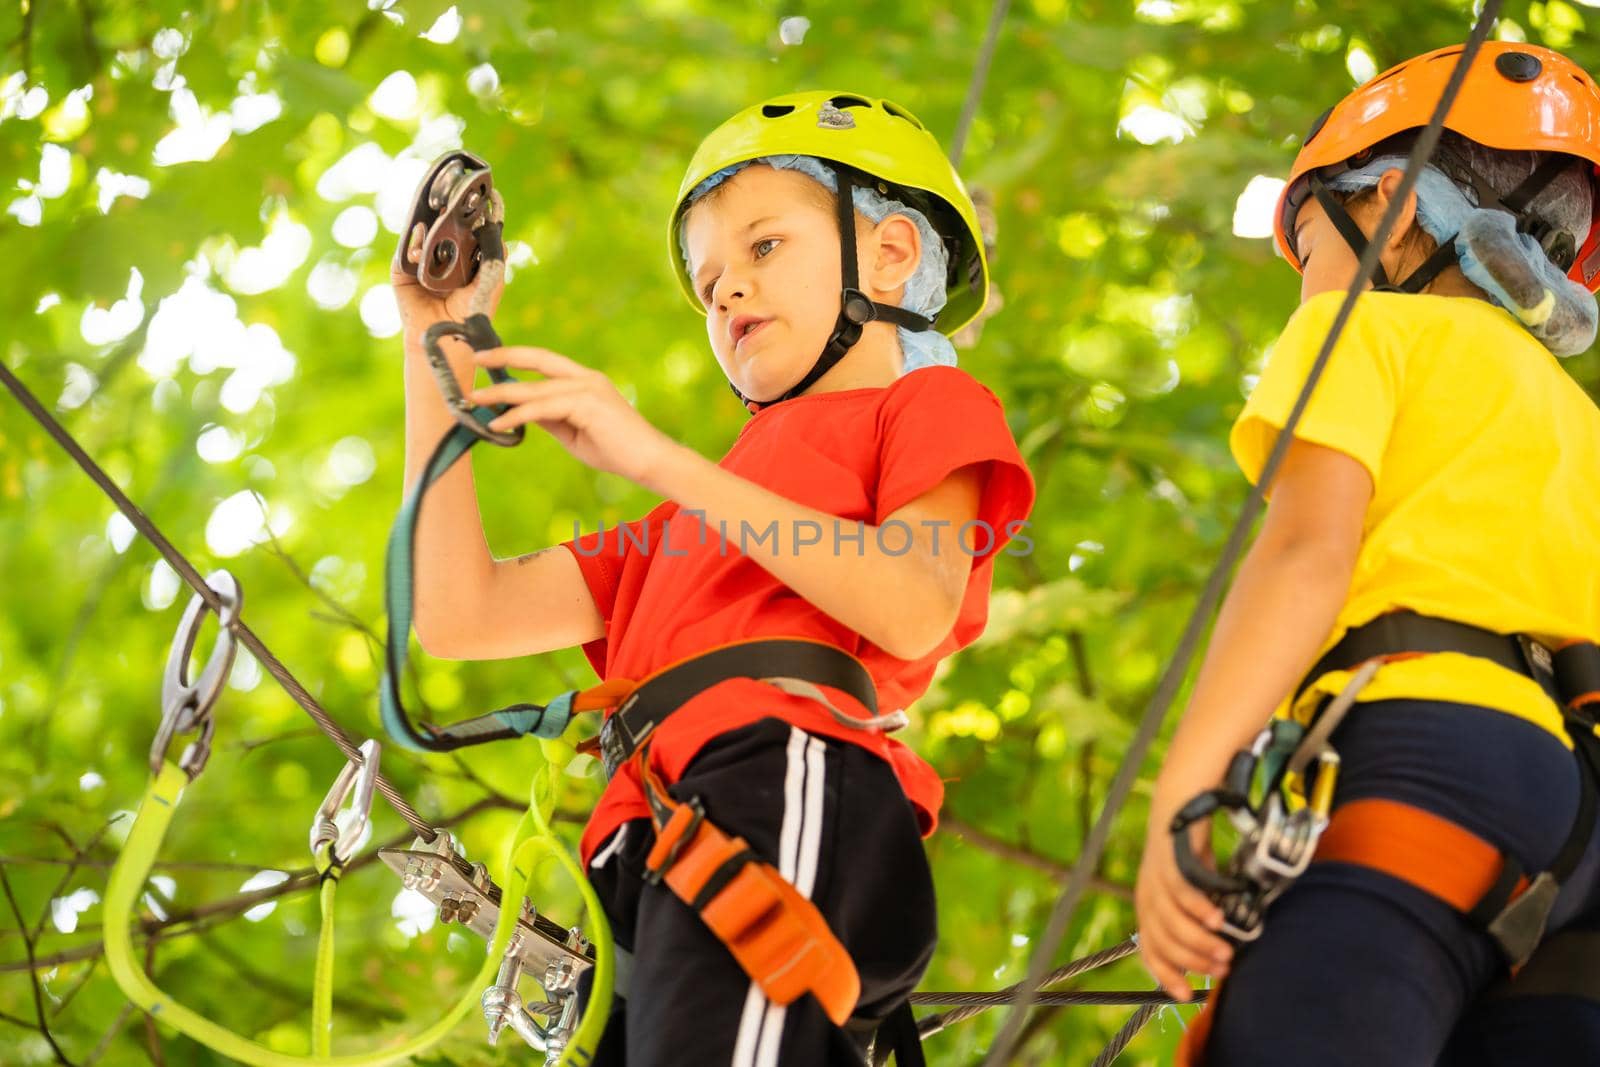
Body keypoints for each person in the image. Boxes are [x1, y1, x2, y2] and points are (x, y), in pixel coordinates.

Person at [391, 90, 1035, 1066]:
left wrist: (651, 455)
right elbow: (457, 612)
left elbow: (910, 604)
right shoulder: (692, 520)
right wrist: (434, 334)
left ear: (892, 255)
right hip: (654, 831)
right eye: (708, 284)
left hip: (779, 774)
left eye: (763, 247)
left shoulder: (924, 403)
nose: (727, 292)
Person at [1132, 42, 1600, 1065]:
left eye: (1310, 246)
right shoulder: (1575, 416)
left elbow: (1304, 556)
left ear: (1387, 210)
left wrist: (1185, 790)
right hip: (1572, 824)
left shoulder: (1360, 335)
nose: (1307, 284)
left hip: (1428, 748)